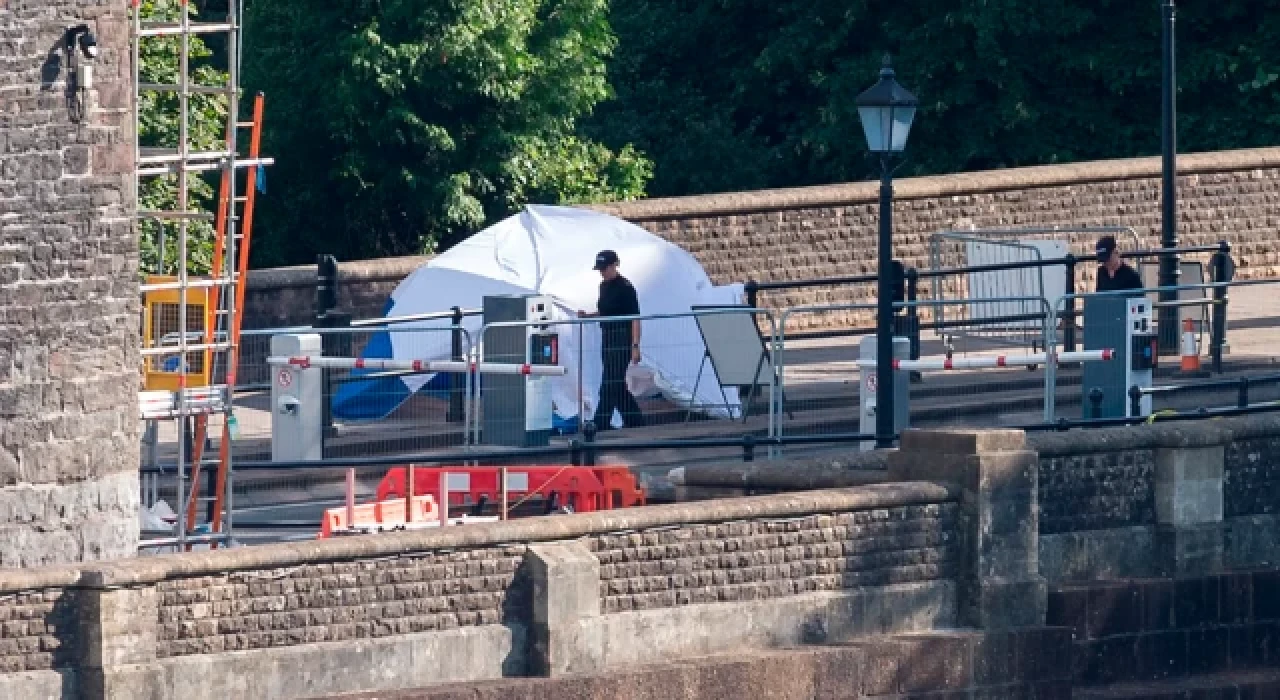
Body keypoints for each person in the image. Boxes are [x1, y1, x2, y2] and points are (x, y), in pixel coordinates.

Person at [578, 250, 645, 430]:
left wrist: (635, 345)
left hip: (622, 337)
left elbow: (635, 317)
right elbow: (607, 311)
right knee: (616, 382)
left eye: (605, 268)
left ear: (614, 265)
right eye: (600, 269)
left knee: (610, 382)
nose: (602, 272)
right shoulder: (603, 287)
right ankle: (635, 420)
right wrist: (589, 316)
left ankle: (601, 422)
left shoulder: (625, 287)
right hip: (607, 336)